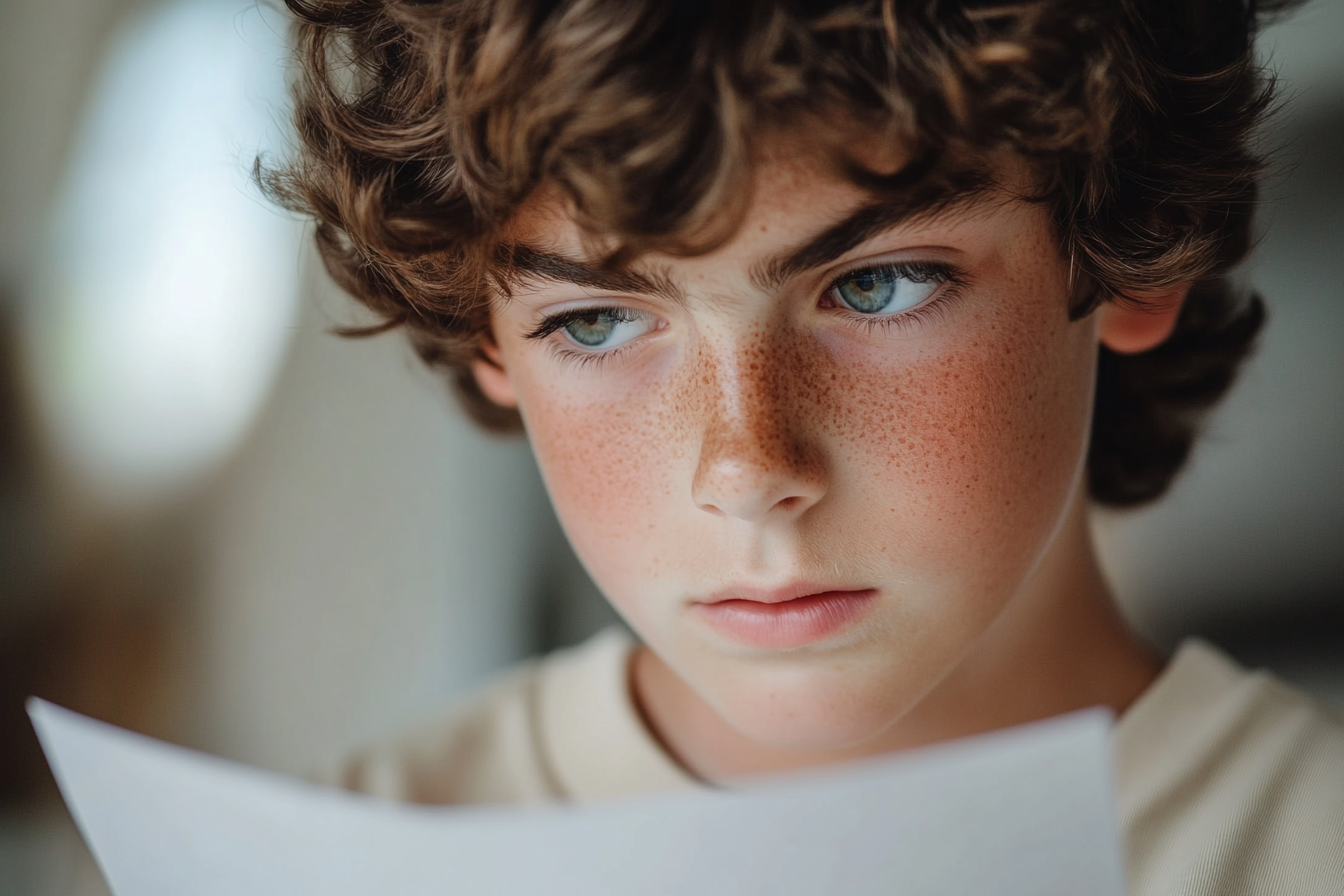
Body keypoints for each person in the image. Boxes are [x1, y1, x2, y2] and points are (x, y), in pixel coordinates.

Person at [265, 1, 1344, 892]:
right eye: (593, 320)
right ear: (484, 335)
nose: (745, 470)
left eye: (877, 285)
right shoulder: (328, 860)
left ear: (1137, 243)